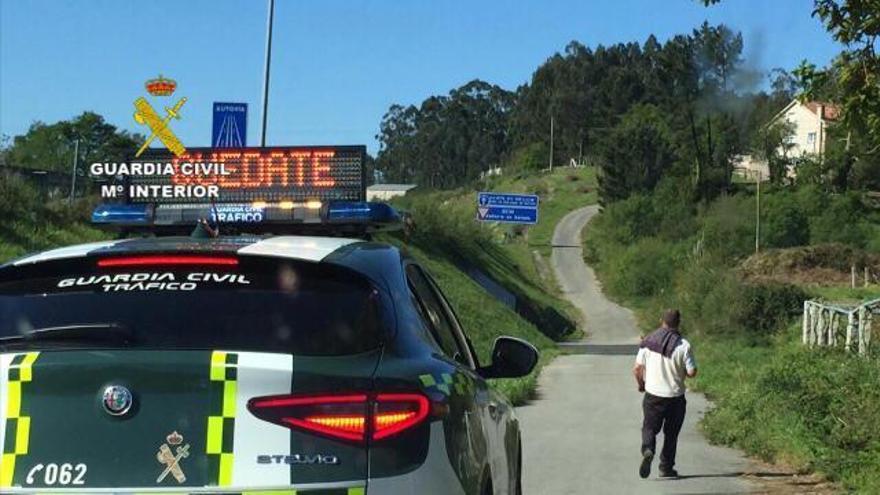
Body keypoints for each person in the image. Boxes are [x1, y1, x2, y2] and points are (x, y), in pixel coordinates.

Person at [633, 309, 697, 479]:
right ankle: (666, 467)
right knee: (671, 434)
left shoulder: (648, 341)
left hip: (653, 395)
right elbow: (692, 372)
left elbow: (637, 369)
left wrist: (641, 385)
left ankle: (648, 450)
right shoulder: (684, 345)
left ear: (662, 321)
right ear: (678, 323)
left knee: (649, 428)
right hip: (675, 397)